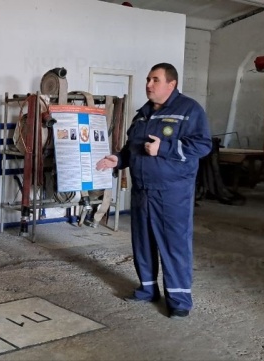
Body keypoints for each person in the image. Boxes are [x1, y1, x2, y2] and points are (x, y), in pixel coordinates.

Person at [95, 63, 211, 319]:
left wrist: (165, 149)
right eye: (148, 79)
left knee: (174, 245)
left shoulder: (188, 110)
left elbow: (202, 145)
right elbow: (131, 149)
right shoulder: (142, 115)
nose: (149, 84)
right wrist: (118, 159)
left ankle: (179, 299)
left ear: (171, 84)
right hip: (142, 191)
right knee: (143, 243)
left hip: (172, 193)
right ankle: (147, 289)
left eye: (155, 80)